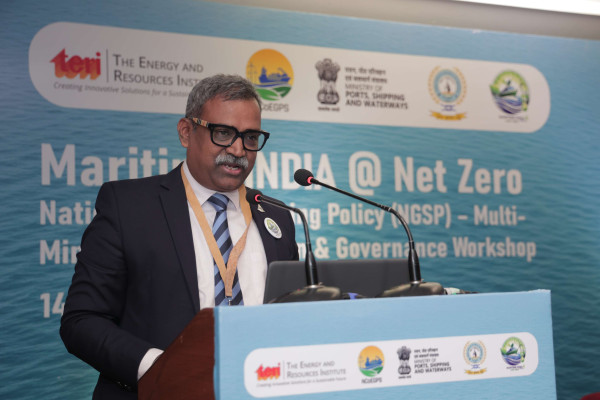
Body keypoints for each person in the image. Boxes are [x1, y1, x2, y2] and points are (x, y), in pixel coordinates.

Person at [60, 74, 299, 399]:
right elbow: (82, 321)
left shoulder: (277, 216)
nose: (238, 149)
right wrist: (160, 368)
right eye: (223, 133)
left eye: (250, 137)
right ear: (186, 132)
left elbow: (290, 317)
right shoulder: (128, 206)